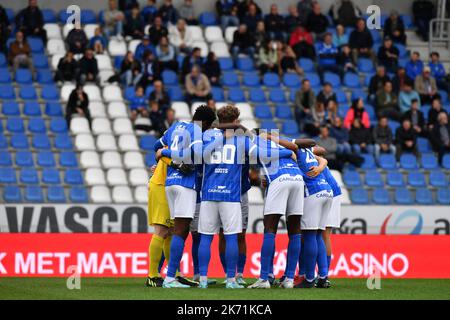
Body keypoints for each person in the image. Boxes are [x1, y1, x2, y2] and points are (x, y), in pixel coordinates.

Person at [153, 106, 217, 288]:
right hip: (186, 185)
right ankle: (171, 277)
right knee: (181, 231)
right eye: (209, 126)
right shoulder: (196, 129)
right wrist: (167, 153)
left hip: (170, 183)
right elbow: (195, 154)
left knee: (176, 230)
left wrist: (163, 154)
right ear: (204, 122)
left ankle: (170, 275)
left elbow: (156, 146)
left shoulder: (175, 126)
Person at [247, 131, 303, 289]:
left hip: (280, 179)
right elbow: (293, 153)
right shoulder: (279, 141)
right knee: (295, 230)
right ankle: (289, 279)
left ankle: (264, 278)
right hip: (297, 179)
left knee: (270, 228)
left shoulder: (254, 142)